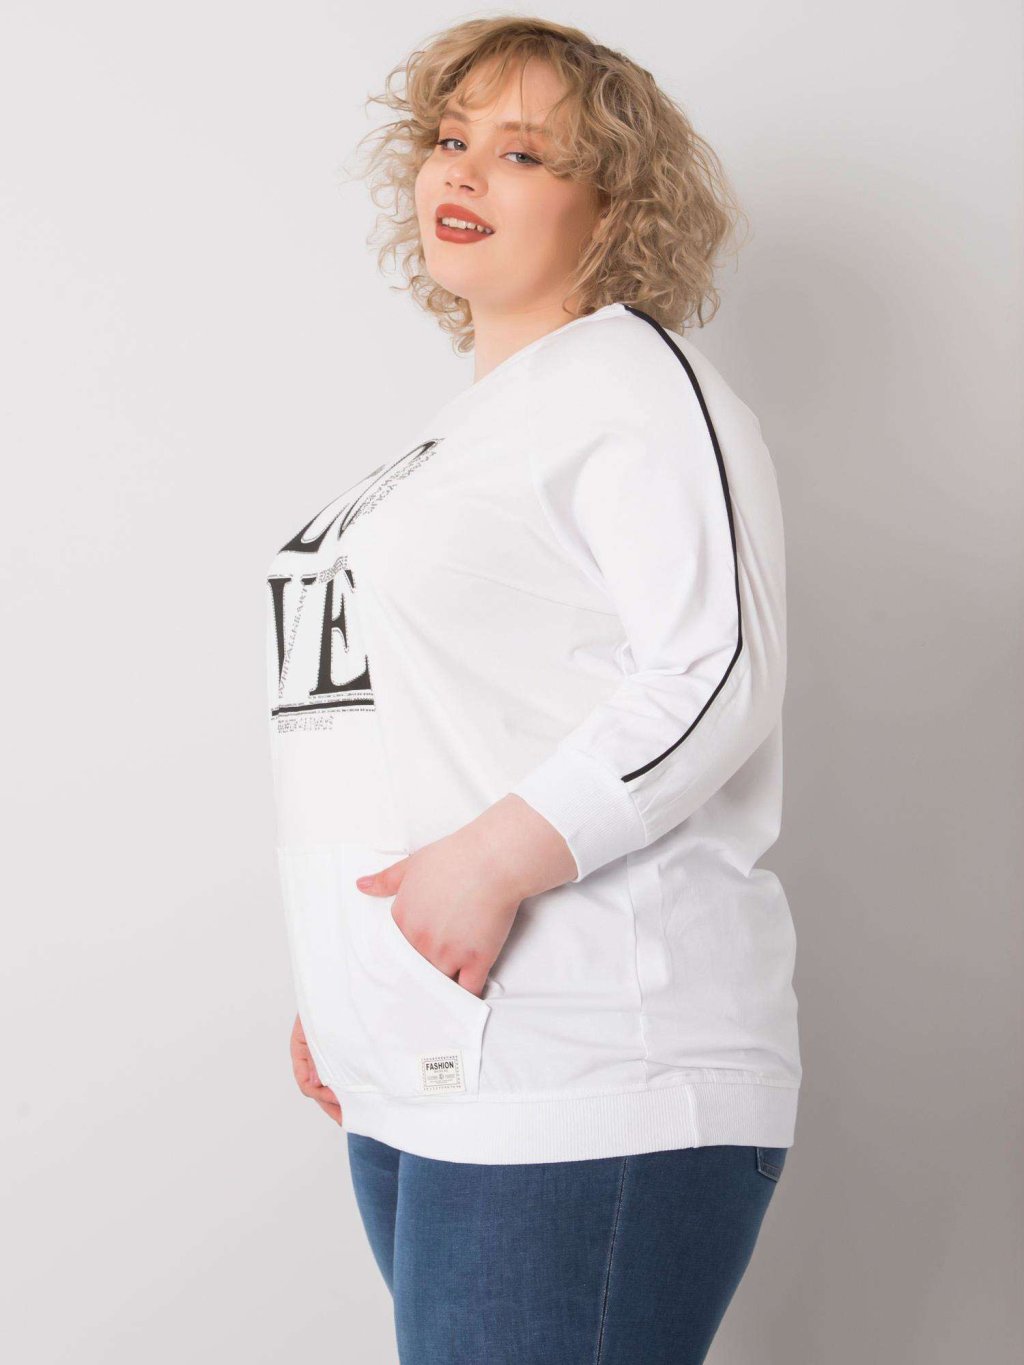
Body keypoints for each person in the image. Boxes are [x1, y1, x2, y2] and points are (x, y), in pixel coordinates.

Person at [266, 15, 801, 1364]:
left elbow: (715, 667)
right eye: (450, 139)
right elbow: (417, 732)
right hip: (436, 1064)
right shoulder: (464, 436)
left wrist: (491, 863)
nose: (463, 170)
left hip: (593, 1063)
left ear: (614, 205)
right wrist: (351, 983)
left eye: (522, 153)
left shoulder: (633, 383)